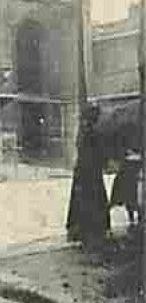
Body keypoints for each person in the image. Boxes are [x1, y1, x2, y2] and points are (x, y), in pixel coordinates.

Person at [66, 104, 110, 244]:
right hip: (90, 172)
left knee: (84, 201)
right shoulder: (93, 132)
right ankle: (92, 230)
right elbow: (98, 153)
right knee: (93, 200)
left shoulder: (84, 131)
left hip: (83, 171)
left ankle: (83, 230)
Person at [109, 150, 142, 228]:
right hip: (131, 170)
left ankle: (135, 219)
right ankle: (134, 219)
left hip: (131, 168)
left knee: (132, 197)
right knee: (131, 197)